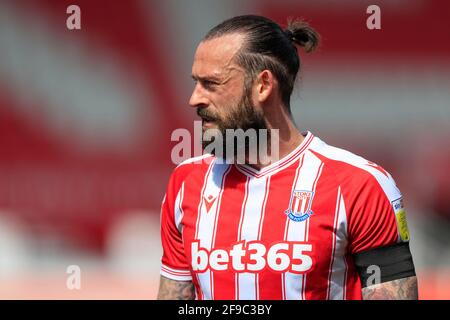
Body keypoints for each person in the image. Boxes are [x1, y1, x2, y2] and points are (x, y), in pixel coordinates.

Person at [157, 15, 418, 300]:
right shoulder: (186, 182)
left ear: (263, 85)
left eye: (211, 84)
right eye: (196, 82)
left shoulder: (361, 185)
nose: (194, 99)